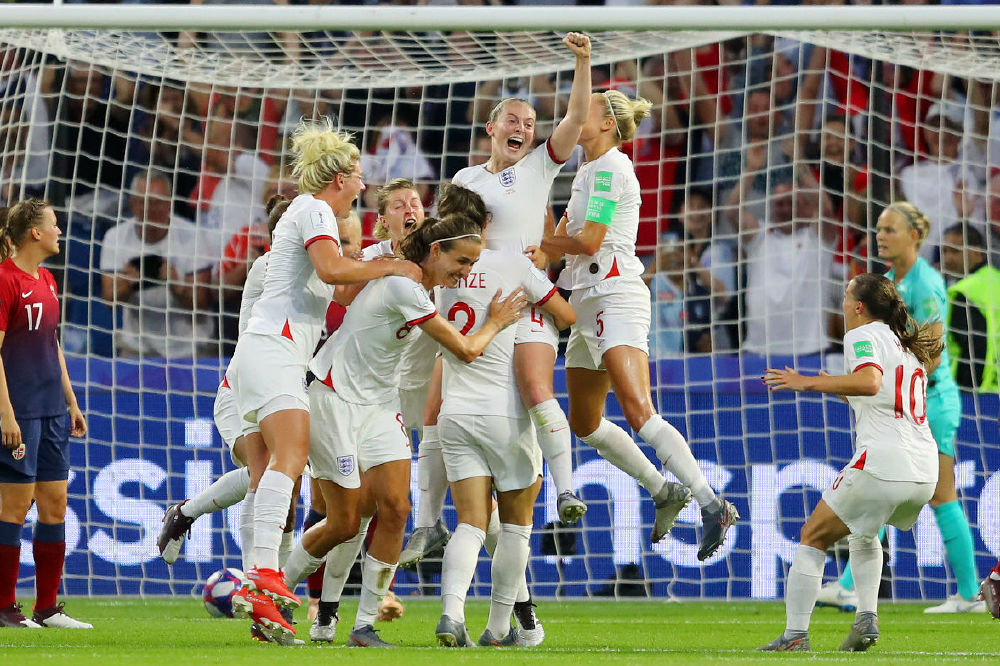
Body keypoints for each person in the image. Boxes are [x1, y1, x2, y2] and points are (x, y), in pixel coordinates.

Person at [278, 216, 526, 648]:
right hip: (335, 397)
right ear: (435, 252)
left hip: (379, 404)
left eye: (471, 263)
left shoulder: (414, 281)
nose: (465, 272)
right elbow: (466, 350)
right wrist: (498, 320)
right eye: (461, 261)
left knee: (395, 508)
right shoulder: (403, 287)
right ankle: (273, 595)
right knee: (343, 521)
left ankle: (364, 626)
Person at [225, 118, 423, 641]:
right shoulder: (313, 209)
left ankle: (265, 591)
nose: (364, 185)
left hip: (279, 354)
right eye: (358, 176)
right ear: (339, 179)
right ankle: (262, 575)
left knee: (282, 466)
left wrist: (386, 258)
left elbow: (336, 288)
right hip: (274, 348)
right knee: (288, 463)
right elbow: (336, 273)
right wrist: (389, 270)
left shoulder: (315, 219)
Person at [539, 89, 738, 557]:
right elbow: (557, 242)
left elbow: (588, 242)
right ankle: (662, 489)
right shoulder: (587, 169)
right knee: (585, 423)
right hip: (585, 302)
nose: (573, 115)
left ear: (607, 121)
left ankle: (712, 504)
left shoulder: (611, 167)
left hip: (615, 293)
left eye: (583, 110)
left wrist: (545, 240)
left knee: (638, 410)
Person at [449, 32, 592, 529]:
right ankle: (437, 519)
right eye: (513, 120)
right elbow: (450, 241)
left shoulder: (538, 167)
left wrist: (583, 62)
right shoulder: (465, 181)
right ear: (491, 127)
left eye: (530, 124)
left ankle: (567, 489)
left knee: (534, 385)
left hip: (528, 297)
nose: (523, 129)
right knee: (453, 406)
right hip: (477, 303)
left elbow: (575, 118)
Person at [816, 203, 984, 614]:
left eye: (890, 229)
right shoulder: (888, 283)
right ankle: (847, 585)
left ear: (914, 235)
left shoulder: (926, 285)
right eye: (878, 229)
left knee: (942, 495)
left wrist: (894, 388)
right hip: (904, 400)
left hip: (931, 401)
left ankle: (969, 594)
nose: (881, 236)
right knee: (885, 489)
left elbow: (933, 352)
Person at [759, 273, 941, 652]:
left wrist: (805, 381)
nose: (841, 301)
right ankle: (865, 621)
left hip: (883, 464)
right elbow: (882, 396)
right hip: (924, 470)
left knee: (813, 535)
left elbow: (870, 383)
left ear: (859, 306)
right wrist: (839, 386)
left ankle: (794, 637)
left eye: (845, 294)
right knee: (864, 531)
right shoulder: (904, 346)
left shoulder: (862, 335)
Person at [434, 236, 576, 648]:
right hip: (504, 414)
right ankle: (498, 630)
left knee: (470, 525)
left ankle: (451, 614)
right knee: (515, 527)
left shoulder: (441, 276)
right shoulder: (511, 266)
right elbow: (566, 315)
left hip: (455, 412)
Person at [307, 179, 428, 642]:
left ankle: (366, 610)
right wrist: (376, 266)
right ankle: (309, 598)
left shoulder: (438, 258)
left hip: (396, 393)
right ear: (386, 220)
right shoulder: (372, 259)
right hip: (341, 391)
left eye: (416, 201)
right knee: (340, 510)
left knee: (393, 503)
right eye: (399, 204)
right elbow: (338, 296)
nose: (409, 208)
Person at [0, 199, 90, 629]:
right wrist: (6, 414)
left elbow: (53, 346)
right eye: (54, 224)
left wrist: (70, 402)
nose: (59, 230)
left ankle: (48, 607)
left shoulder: (49, 280)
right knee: (14, 509)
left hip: (53, 410)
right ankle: (4, 607)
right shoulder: (4, 280)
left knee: (54, 503)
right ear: (34, 233)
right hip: (19, 412)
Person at [99, 170, 215, 358]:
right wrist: (127, 285)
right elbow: (109, 300)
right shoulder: (115, 237)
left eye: (158, 202)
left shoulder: (193, 236)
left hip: (189, 347)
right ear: (133, 204)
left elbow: (202, 302)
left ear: (169, 203)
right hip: (137, 346)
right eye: (144, 202)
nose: (151, 209)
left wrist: (177, 286)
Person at [941, 223, 1000, 392]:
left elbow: (973, 348)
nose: (948, 259)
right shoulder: (996, 279)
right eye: (944, 251)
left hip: (978, 395)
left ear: (977, 252)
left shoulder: (964, 292)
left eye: (955, 251)